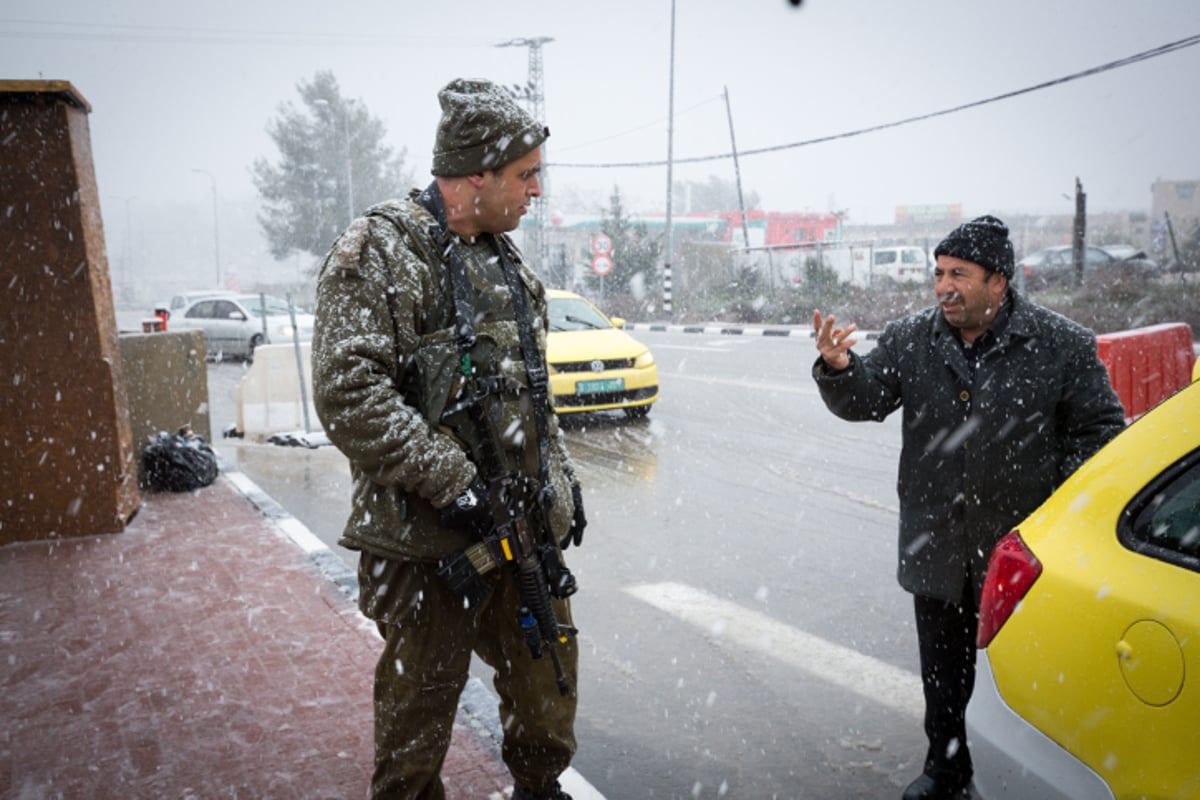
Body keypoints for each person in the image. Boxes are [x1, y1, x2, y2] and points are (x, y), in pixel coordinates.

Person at [311, 78, 586, 800]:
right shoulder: (384, 251)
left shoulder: (506, 258)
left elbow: (531, 394)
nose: (535, 192)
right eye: (525, 176)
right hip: (425, 548)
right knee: (416, 732)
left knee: (548, 694)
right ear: (476, 175)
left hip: (518, 533)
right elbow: (349, 394)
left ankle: (541, 788)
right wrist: (452, 481)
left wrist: (559, 484)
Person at [811, 215, 1125, 800]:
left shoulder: (1061, 345)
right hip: (938, 545)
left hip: (1025, 556)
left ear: (998, 282)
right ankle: (946, 770)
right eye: (938, 274)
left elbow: (1101, 432)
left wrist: (1052, 507)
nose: (943, 287)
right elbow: (868, 397)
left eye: (960, 274)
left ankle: (1034, 780)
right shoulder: (913, 338)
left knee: (1030, 680)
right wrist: (840, 370)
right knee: (943, 675)